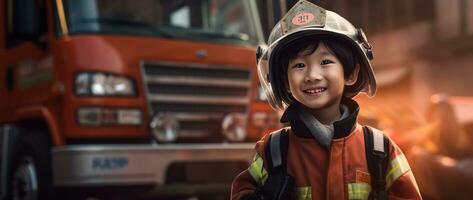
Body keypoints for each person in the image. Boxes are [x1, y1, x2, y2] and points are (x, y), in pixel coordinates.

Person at [230, 1, 422, 199]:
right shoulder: (272, 150)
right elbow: (242, 192)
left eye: (325, 62)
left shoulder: (379, 149)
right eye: (299, 65)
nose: (312, 75)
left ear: (350, 74)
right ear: (285, 82)